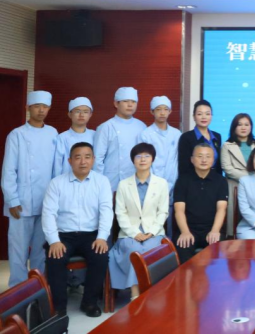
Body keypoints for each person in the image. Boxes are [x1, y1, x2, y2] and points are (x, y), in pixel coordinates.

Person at [42, 142, 113, 317]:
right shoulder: (56, 183)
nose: (83, 161)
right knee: (55, 258)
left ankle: (89, 302)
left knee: (100, 256)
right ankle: (59, 308)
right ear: (70, 161)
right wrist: (54, 241)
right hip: (63, 236)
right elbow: (48, 214)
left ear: (93, 160)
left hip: (91, 235)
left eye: (87, 157)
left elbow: (106, 211)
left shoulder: (102, 182)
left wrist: (102, 237)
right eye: (78, 157)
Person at [2, 90, 57, 287]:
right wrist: (12, 200)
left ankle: (37, 288)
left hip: (46, 201)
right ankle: (17, 290)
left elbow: (56, 168)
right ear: (28, 108)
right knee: (18, 250)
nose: (41, 110)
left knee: (40, 251)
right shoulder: (16, 135)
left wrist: (56, 200)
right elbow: (9, 170)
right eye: (36, 106)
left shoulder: (53, 133)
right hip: (21, 202)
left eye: (45, 107)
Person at [108, 142, 169, 298]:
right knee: (134, 251)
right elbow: (120, 213)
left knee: (149, 250)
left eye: (147, 156)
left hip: (154, 233)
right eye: (139, 156)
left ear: (152, 159)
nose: (143, 159)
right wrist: (134, 233)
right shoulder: (123, 184)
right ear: (133, 160)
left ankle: (140, 294)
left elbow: (163, 212)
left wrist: (151, 232)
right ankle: (137, 294)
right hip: (128, 234)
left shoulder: (161, 184)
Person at [173, 143, 228, 263]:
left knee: (217, 257)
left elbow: (221, 209)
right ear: (192, 159)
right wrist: (185, 232)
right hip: (189, 228)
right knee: (183, 251)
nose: (204, 160)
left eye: (208, 156)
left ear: (213, 160)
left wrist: (215, 230)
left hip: (211, 228)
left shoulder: (221, 180)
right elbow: (179, 210)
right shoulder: (183, 180)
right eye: (200, 156)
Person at [137, 96, 181, 233]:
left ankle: (169, 244)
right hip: (152, 183)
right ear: (152, 112)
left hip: (173, 182)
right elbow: (143, 161)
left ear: (170, 111)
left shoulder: (176, 134)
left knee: (170, 219)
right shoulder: (145, 134)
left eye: (165, 109)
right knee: (152, 220)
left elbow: (177, 160)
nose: (162, 113)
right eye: (158, 109)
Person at [94, 87, 147, 191]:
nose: (130, 105)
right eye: (125, 101)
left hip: (136, 180)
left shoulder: (142, 127)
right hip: (110, 181)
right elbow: (97, 158)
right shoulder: (106, 127)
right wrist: (99, 183)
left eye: (133, 102)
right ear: (116, 104)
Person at [221, 113, 255, 235]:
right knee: (234, 217)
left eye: (246, 124)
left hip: (254, 185)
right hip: (234, 184)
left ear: (251, 127)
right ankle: (232, 238)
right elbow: (227, 168)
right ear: (234, 127)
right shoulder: (227, 145)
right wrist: (248, 178)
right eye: (240, 124)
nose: (243, 127)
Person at [178, 100, 222, 177]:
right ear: (194, 117)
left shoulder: (217, 136)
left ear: (211, 116)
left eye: (207, 114)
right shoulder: (186, 137)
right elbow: (184, 167)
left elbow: (218, 165)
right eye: (199, 114)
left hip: (214, 180)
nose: (204, 117)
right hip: (193, 180)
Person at [54, 97, 95, 176]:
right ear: (70, 114)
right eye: (77, 111)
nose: (81, 115)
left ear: (90, 114)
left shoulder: (95, 135)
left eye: (85, 112)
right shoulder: (62, 138)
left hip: (91, 180)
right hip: (66, 180)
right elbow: (57, 165)